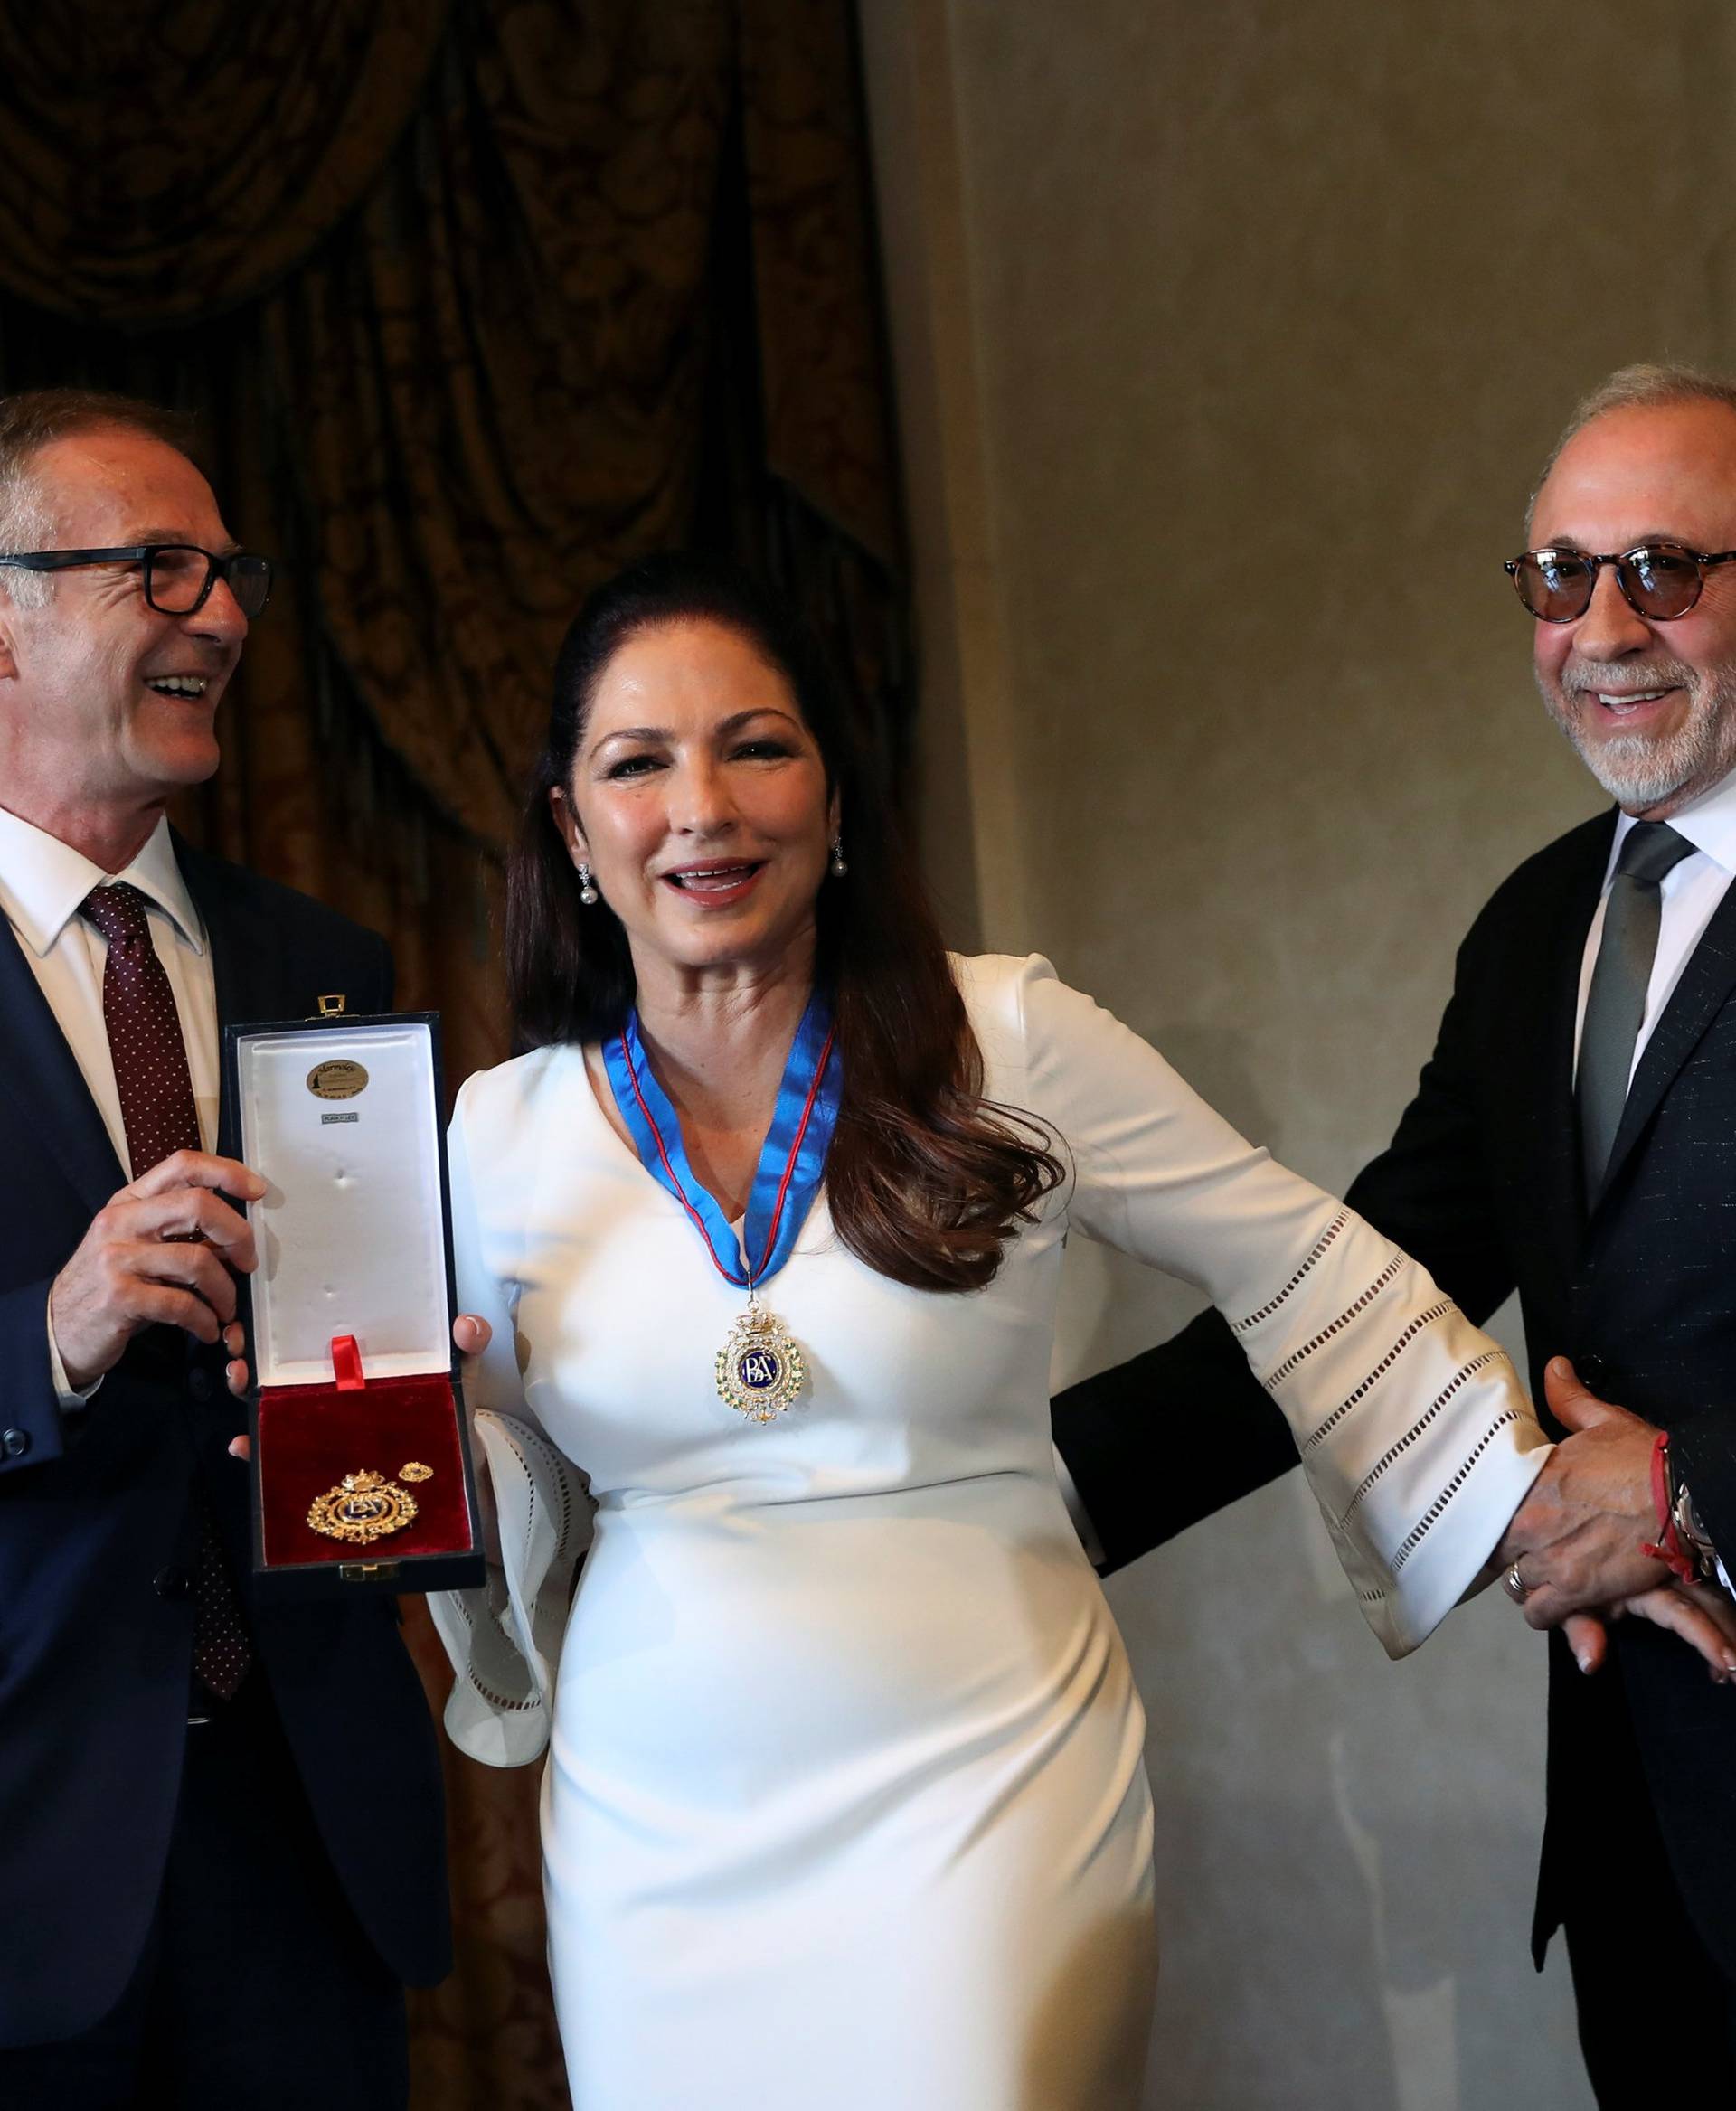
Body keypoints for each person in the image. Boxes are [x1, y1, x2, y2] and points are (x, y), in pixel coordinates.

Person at [429, 552, 1725, 2111]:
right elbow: (492, 1478)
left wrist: (1538, 1506)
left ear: (837, 797)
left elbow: (1306, 1259)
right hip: (655, 1829)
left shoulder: (1009, 1033)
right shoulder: (492, 1138)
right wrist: (403, 1456)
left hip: (985, 1786)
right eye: (637, 763)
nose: (702, 806)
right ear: (573, 829)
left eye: (756, 745)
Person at [1051, 363, 1736, 2101]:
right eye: (1558, 575)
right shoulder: (1531, 934)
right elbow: (1357, 1291)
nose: (1603, 628)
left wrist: (1687, 1486)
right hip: (1648, 1852)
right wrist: (1011, 1498)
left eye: (1665, 569)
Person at [0, 390, 448, 2108]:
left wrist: (428, 1392)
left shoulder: (322, 957)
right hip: (30, 1847)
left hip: (310, 1831)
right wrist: (47, 1331)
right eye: (157, 567)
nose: (224, 613)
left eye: (230, 570)